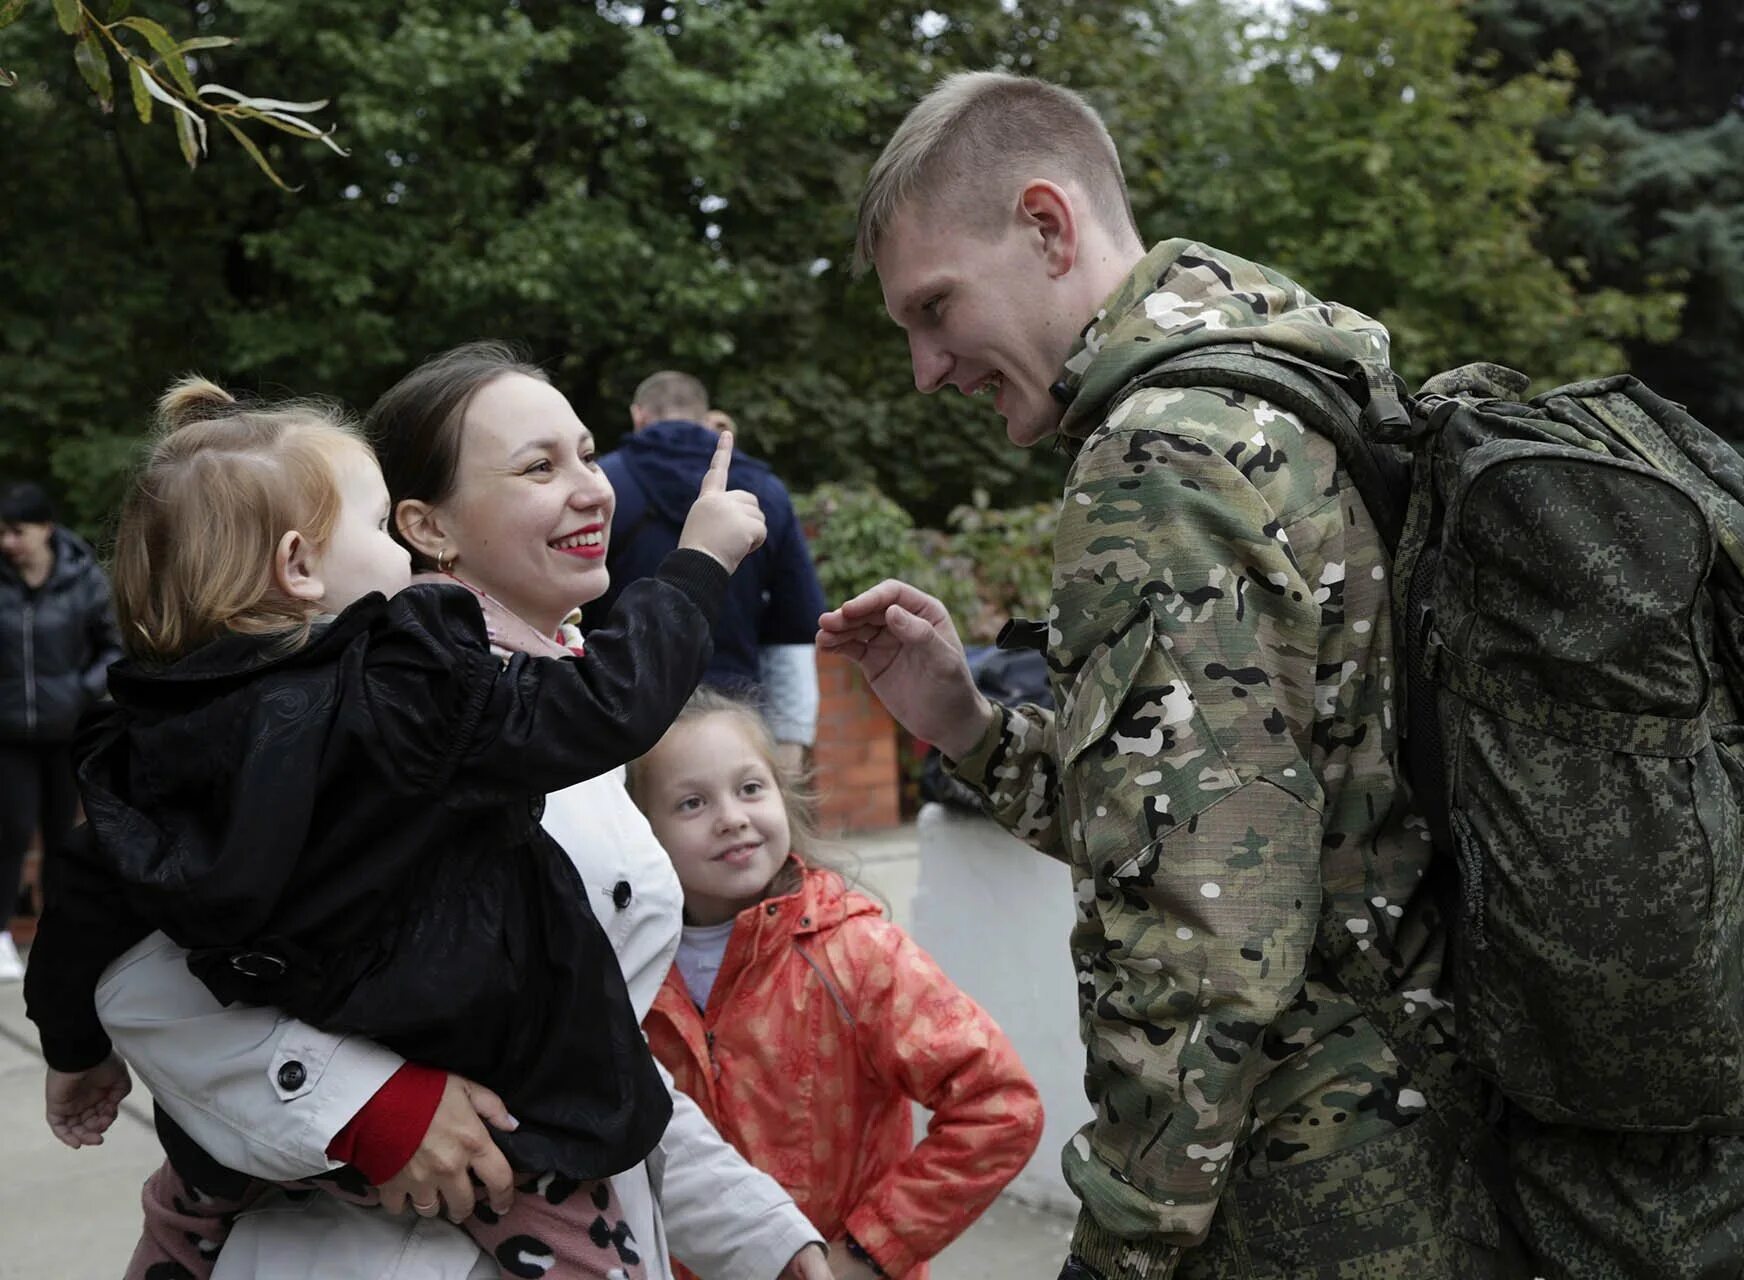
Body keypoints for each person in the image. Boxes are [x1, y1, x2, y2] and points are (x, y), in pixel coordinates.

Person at [819, 72, 1514, 1280]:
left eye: (936, 308)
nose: (927, 369)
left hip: (1309, 1177)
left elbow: (1202, 932)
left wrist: (1123, 1244)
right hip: (1430, 1129)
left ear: (1046, 225)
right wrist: (968, 722)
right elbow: (1233, 821)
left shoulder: (1163, 453)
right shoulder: (1297, 385)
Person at [49, 343, 833, 1280]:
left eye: (589, 453)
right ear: (427, 527)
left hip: (549, 1146)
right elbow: (142, 982)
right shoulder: (423, 699)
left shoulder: (493, 688)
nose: (594, 489)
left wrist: (761, 1235)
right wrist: (371, 1104)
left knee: (181, 1217)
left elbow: (599, 1033)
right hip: (388, 1240)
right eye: (541, 467)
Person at [633, 688, 1045, 1280]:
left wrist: (869, 1249)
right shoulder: (629, 971)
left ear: (784, 795)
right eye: (692, 803)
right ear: (641, 833)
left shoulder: (856, 955)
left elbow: (1001, 1106)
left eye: (750, 788)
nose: (732, 817)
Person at [594, 372, 827, 773]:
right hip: (738, 721)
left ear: (638, 416)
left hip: (621, 718)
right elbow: (794, 627)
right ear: (705, 419)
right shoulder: (765, 491)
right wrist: (790, 744)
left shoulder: (602, 486)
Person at [0, 480, 120, 981]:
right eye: (1, 532)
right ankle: (2, 933)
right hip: (7, 733)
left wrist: (80, 690)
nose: (7, 542)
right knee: (9, 831)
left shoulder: (84, 579)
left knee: (63, 837)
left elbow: (114, 647)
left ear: (46, 528)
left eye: (16, 531)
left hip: (67, 731)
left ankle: (55, 934)